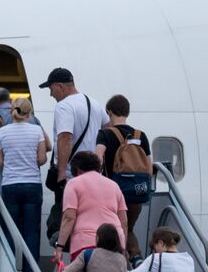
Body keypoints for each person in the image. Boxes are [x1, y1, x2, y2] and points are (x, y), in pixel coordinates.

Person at [38, 66, 101, 231]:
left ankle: (72, 253)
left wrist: (61, 173)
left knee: (68, 219)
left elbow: (65, 137)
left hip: (72, 175)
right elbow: (108, 128)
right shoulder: (93, 103)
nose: (51, 94)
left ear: (60, 86)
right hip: (93, 174)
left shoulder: (64, 106)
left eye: (51, 89)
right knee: (88, 218)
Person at [0, 97, 50, 272]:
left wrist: (13, 165)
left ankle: (10, 271)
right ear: (29, 113)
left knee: (11, 228)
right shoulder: (36, 131)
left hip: (10, 184)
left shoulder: (2, 132)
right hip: (32, 184)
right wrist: (29, 162)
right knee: (31, 230)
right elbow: (42, 159)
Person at [95, 94, 152, 258]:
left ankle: (118, 264)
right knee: (128, 228)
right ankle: (135, 258)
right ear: (127, 112)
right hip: (136, 191)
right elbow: (148, 166)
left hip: (113, 191)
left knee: (112, 230)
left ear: (109, 111)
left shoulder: (105, 134)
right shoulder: (141, 135)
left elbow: (98, 156)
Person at [57, 151, 125, 257]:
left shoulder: (73, 183)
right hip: (115, 244)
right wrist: (123, 247)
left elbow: (69, 218)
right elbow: (123, 221)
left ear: (78, 170)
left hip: (86, 243)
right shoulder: (114, 185)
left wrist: (60, 247)